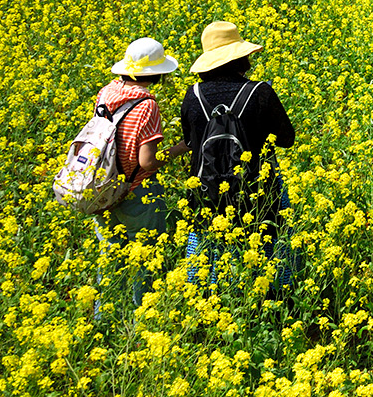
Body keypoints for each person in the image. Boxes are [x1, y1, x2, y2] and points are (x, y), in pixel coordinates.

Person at [182, 21, 297, 286]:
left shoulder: (193, 94)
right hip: (257, 188)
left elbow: (190, 140)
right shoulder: (260, 92)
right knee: (269, 246)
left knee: (207, 250)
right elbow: (287, 139)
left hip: (206, 189)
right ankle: (272, 294)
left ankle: (207, 299)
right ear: (237, 58)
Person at [93, 38, 190, 309]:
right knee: (145, 256)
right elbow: (147, 161)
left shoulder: (106, 93)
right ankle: (141, 316)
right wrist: (181, 148)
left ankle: (105, 317)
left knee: (110, 255)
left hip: (103, 186)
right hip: (137, 192)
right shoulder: (146, 104)